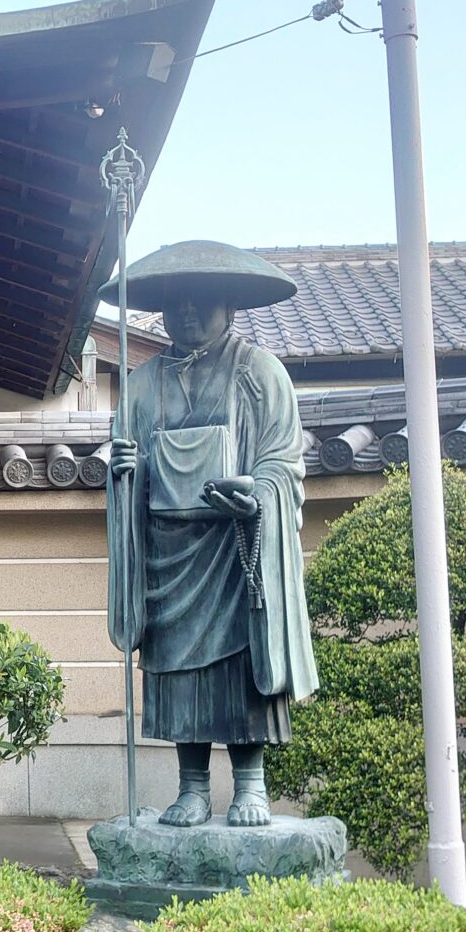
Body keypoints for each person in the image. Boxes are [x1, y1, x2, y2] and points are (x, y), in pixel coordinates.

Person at [104, 240, 318, 827]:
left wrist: (258, 491)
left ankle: (250, 784)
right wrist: (125, 472)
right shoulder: (141, 385)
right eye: (175, 305)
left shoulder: (260, 373)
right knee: (176, 671)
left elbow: (284, 462)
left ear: (229, 304)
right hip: (169, 553)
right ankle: (192, 786)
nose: (187, 314)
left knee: (237, 668)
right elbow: (130, 468)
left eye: (200, 303)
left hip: (235, 550)